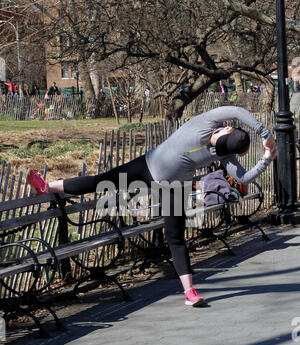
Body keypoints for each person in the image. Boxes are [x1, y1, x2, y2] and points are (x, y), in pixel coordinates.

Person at [27, 106, 277, 307]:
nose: (227, 126)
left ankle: (189, 291)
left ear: (227, 132)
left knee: (175, 237)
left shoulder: (214, 134)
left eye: (228, 130)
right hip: (147, 167)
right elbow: (236, 112)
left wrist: (265, 149)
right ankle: (46, 186)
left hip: (174, 187)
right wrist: (265, 143)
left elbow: (241, 172)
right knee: (100, 182)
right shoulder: (208, 124)